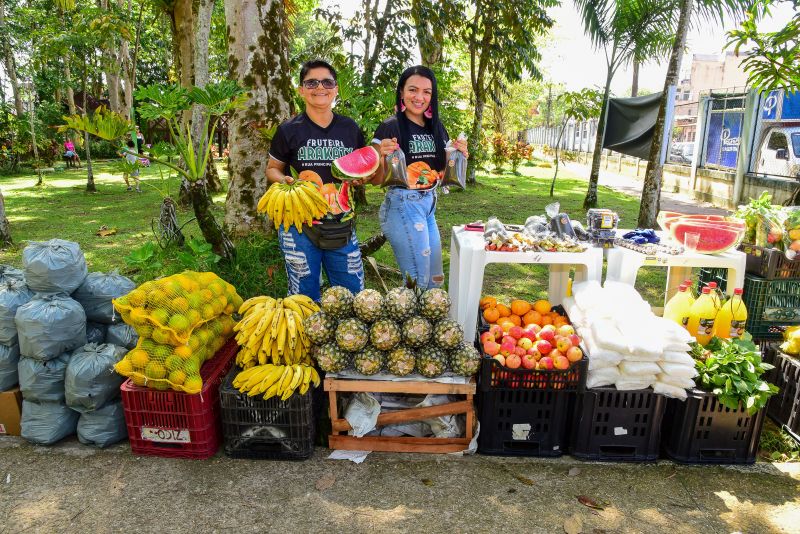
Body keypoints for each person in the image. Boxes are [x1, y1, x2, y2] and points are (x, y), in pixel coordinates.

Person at [267, 59, 379, 301]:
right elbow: (272, 169)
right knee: (304, 297)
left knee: (352, 296)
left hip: (342, 223)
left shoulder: (350, 128)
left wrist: (363, 178)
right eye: (312, 82)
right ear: (301, 90)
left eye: (327, 82)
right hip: (298, 224)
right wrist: (285, 180)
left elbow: (363, 170)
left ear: (336, 88)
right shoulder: (288, 130)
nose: (320, 87)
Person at [373, 65, 468, 289]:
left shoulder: (436, 127)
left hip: (428, 206)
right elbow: (375, 179)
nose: (420, 97)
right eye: (413, 90)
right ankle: (415, 323)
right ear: (402, 93)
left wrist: (458, 154)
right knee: (418, 280)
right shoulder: (390, 126)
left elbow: (443, 172)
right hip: (402, 205)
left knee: (435, 278)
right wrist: (378, 155)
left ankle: (430, 322)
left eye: (427, 92)